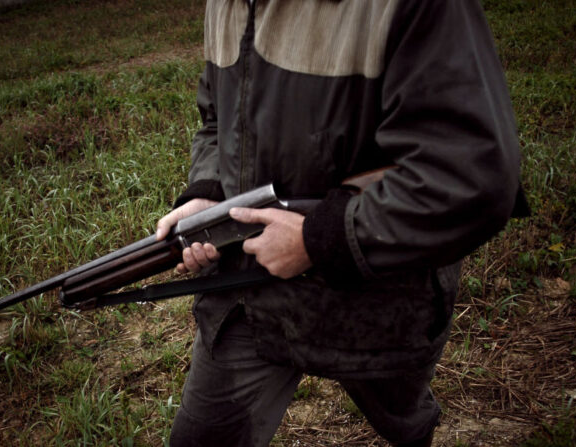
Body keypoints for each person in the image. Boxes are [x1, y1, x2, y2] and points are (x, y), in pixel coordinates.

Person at [155, 0, 529, 445]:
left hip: (381, 300)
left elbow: (470, 172)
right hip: (250, 295)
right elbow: (217, 115)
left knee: (405, 420)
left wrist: (317, 240)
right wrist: (209, 192)